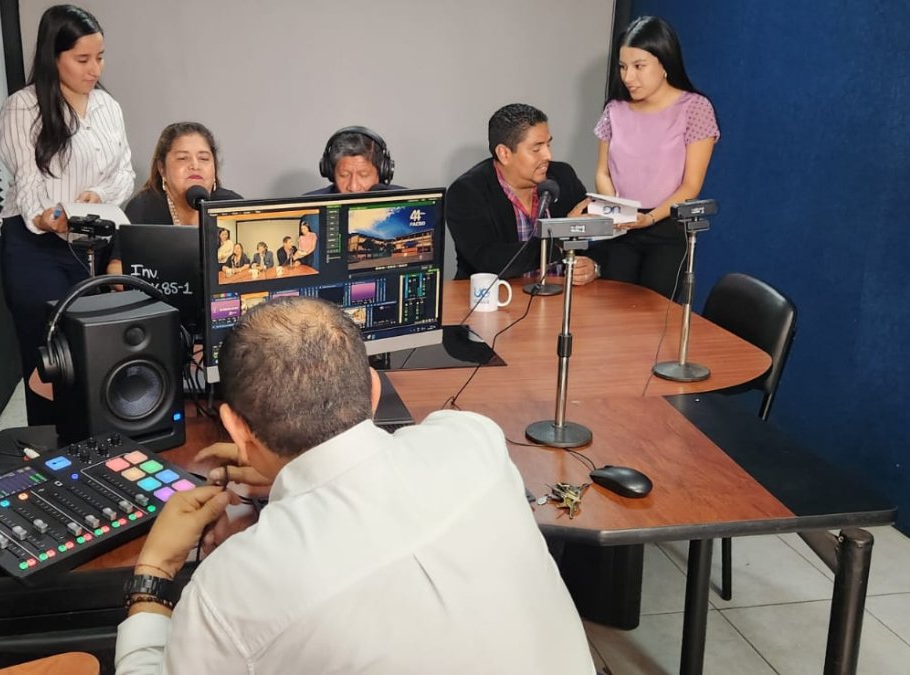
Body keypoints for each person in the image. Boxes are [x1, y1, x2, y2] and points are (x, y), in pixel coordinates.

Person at [115, 297, 594, 674]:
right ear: (373, 388)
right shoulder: (473, 439)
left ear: (236, 429)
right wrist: (289, 470)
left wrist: (154, 575)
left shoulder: (230, 590)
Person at [0, 4, 134, 424]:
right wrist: (44, 216)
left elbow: (124, 170)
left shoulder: (108, 107)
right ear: (53, 57)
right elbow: (27, 179)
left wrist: (98, 193)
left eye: (100, 57)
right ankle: (48, 452)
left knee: (96, 352)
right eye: (82, 59)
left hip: (92, 243)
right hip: (35, 246)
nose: (94, 69)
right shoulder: (23, 107)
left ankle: (95, 444)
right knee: (49, 358)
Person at [593, 16, 719, 297]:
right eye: (623, 67)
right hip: (620, 228)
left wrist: (648, 219)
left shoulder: (695, 108)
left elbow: (691, 186)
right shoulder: (615, 109)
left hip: (666, 230)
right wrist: (616, 211)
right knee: (609, 309)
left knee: (653, 317)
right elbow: (603, 172)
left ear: (664, 64)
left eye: (639, 67)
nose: (628, 77)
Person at [446, 104, 597, 283]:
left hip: (562, 298)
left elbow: (596, 240)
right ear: (504, 154)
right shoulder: (468, 192)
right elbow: (488, 261)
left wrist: (593, 267)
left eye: (548, 144)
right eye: (536, 149)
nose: (548, 155)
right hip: (498, 301)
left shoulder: (563, 176)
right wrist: (560, 239)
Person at [107, 122, 243, 275]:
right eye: (183, 158)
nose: (195, 165)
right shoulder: (143, 207)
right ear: (162, 168)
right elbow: (116, 269)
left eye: (204, 158)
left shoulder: (231, 204)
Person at [306, 126, 405, 194]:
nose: (353, 187)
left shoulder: (408, 203)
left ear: (383, 172)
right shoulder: (308, 206)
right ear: (331, 173)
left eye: (363, 175)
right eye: (344, 175)